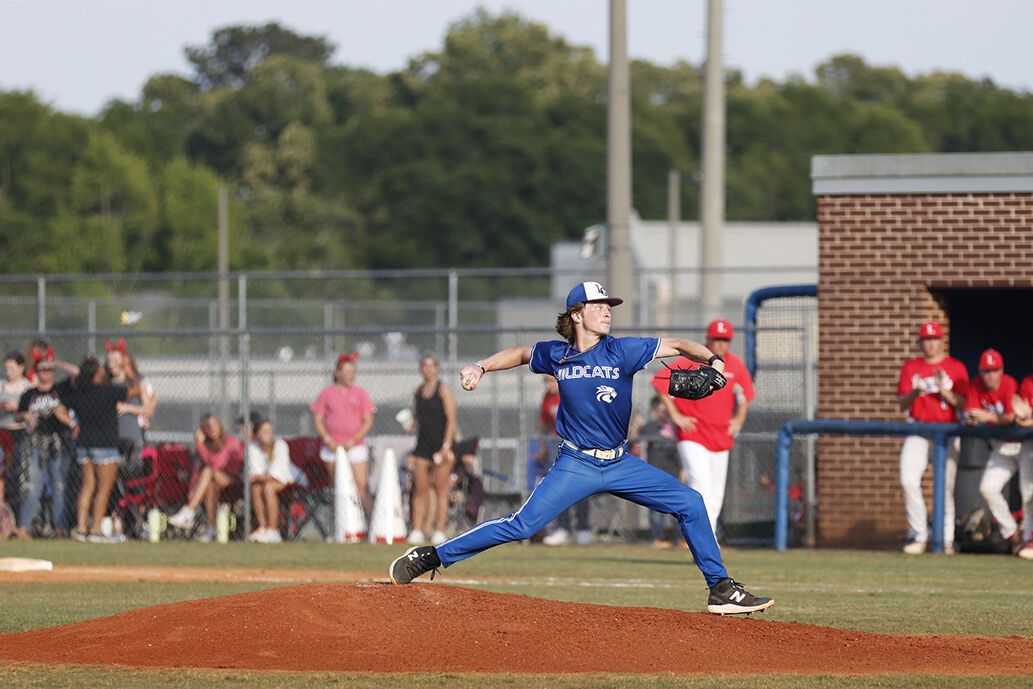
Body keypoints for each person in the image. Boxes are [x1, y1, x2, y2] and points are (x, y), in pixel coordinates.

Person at [389, 281, 774, 615]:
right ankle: (431, 556)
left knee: (690, 503)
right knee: (521, 525)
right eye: (599, 306)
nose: (607, 312)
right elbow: (523, 353)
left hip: (620, 462)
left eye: (609, 307)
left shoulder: (622, 351)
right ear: (577, 314)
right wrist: (482, 366)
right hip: (576, 463)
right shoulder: (558, 355)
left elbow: (676, 343)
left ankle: (721, 590)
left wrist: (714, 360)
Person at [650, 318, 755, 537]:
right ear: (708, 339)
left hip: (721, 435)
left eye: (725, 339)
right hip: (693, 434)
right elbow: (659, 381)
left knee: (716, 493)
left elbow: (745, 394)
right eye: (716, 339)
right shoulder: (693, 360)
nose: (720, 344)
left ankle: (709, 537)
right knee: (701, 484)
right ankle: (700, 537)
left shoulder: (735, 364)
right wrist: (676, 415)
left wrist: (739, 419)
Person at [895, 321, 970, 555]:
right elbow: (901, 403)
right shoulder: (911, 367)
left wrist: (942, 389)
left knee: (945, 488)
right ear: (920, 343)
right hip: (919, 429)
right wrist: (917, 391)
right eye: (926, 339)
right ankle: (920, 535)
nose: (931, 343)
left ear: (941, 341)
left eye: (934, 338)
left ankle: (945, 541)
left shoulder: (955, 367)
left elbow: (964, 403)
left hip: (947, 432)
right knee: (908, 480)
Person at [65, 355, 135, 543]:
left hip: (84, 445)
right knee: (104, 489)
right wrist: (130, 372)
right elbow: (134, 391)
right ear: (97, 373)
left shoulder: (79, 392)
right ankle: (95, 529)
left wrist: (73, 424)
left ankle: (81, 529)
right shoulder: (109, 391)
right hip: (105, 446)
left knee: (87, 487)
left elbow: (60, 407)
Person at [14, 350, 74, 538]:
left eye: (49, 370)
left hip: (57, 443)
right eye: (42, 370)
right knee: (33, 486)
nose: (46, 373)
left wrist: (57, 363)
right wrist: (24, 416)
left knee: (59, 486)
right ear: (36, 372)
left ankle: (60, 529)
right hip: (35, 443)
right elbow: (17, 415)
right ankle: (23, 528)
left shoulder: (62, 390)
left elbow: (78, 373)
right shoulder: (29, 394)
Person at [310, 352, 376, 519]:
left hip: (355, 446)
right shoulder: (328, 392)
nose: (350, 376)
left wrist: (353, 440)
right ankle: (341, 525)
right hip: (333, 447)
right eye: (346, 372)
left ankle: (371, 524)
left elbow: (367, 421)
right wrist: (328, 440)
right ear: (337, 373)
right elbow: (318, 419)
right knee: (337, 487)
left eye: (353, 372)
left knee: (362, 487)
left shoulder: (360, 393)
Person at [970, 348, 1023, 552]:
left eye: (994, 370)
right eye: (986, 370)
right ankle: (1012, 533)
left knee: (1029, 493)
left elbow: (1010, 418)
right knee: (988, 488)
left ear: (1001, 370)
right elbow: (972, 413)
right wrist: (972, 418)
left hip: (1024, 445)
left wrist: (987, 417)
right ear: (980, 372)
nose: (990, 375)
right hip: (1003, 446)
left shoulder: (1009, 383)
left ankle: (1029, 537)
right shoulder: (976, 385)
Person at [531, 375, 593, 546]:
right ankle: (563, 528)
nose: (548, 385)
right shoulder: (547, 398)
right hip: (556, 446)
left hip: (577, 444)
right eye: (546, 382)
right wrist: (542, 448)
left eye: (551, 381)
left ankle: (583, 529)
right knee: (559, 488)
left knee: (580, 486)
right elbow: (545, 425)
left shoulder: (572, 393)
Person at [403, 353, 458, 546]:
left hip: (440, 445)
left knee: (441, 489)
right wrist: (410, 424)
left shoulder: (443, 390)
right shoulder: (418, 391)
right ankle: (417, 529)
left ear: (436, 368)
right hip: (423, 446)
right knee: (420, 489)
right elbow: (418, 417)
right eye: (424, 366)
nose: (428, 370)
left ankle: (440, 530)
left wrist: (446, 446)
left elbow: (451, 419)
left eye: (431, 366)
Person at [168, 413, 244, 541]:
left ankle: (189, 511)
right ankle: (212, 529)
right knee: (210, 485)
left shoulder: (230, 441)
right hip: (215, 482)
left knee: (209, 472)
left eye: (215, 425)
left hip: (233, 481)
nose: (212, 429)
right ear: (203, 430)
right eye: (208, 427)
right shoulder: (207, 446)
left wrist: (199, 445)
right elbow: (197, 473)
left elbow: (217, 464)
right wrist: (193, 491)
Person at [247, 417, 305, 543]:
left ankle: (273, 530)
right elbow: (256, 473)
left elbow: (276, 474)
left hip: (292, 481)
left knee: (268, 487)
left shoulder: (280, 445)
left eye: (270, 431)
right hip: (267, 482)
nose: (269, 435)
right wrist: (259, 477)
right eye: (264, 431)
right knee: (256, 488)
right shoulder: (253, 448)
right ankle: (263, 528)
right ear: (256, 434)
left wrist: (259, 477)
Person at [636, 396, 683, 548]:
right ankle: (657, 538)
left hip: (674, 473)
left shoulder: (677, 426)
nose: (666, 412)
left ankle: (682, 539)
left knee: (679, 508)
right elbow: (634, 441)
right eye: (662, 410)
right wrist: (637, 427)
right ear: (654, 412)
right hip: (655, 473)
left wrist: (683, 470)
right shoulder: (649, 427)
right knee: (656, 509)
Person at [1013, 362, 1033, 560]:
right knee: (1028, 494)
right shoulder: (1028, 382)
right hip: (1030, 443)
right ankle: (1029, 538)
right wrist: (1024, 417)